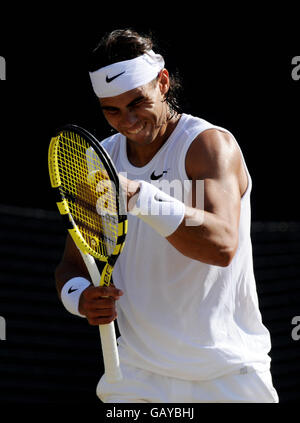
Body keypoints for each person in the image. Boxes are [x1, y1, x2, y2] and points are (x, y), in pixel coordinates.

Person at [55, 28, 279, 403]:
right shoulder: (98, 163)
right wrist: (80, 298)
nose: (127, 120)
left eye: (136, 103)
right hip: (136, 378)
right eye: (111, 110)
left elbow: (222, 246)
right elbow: (71, 265)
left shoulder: (208, 145)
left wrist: (139, 194)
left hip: (227, 374)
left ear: (163, 82)